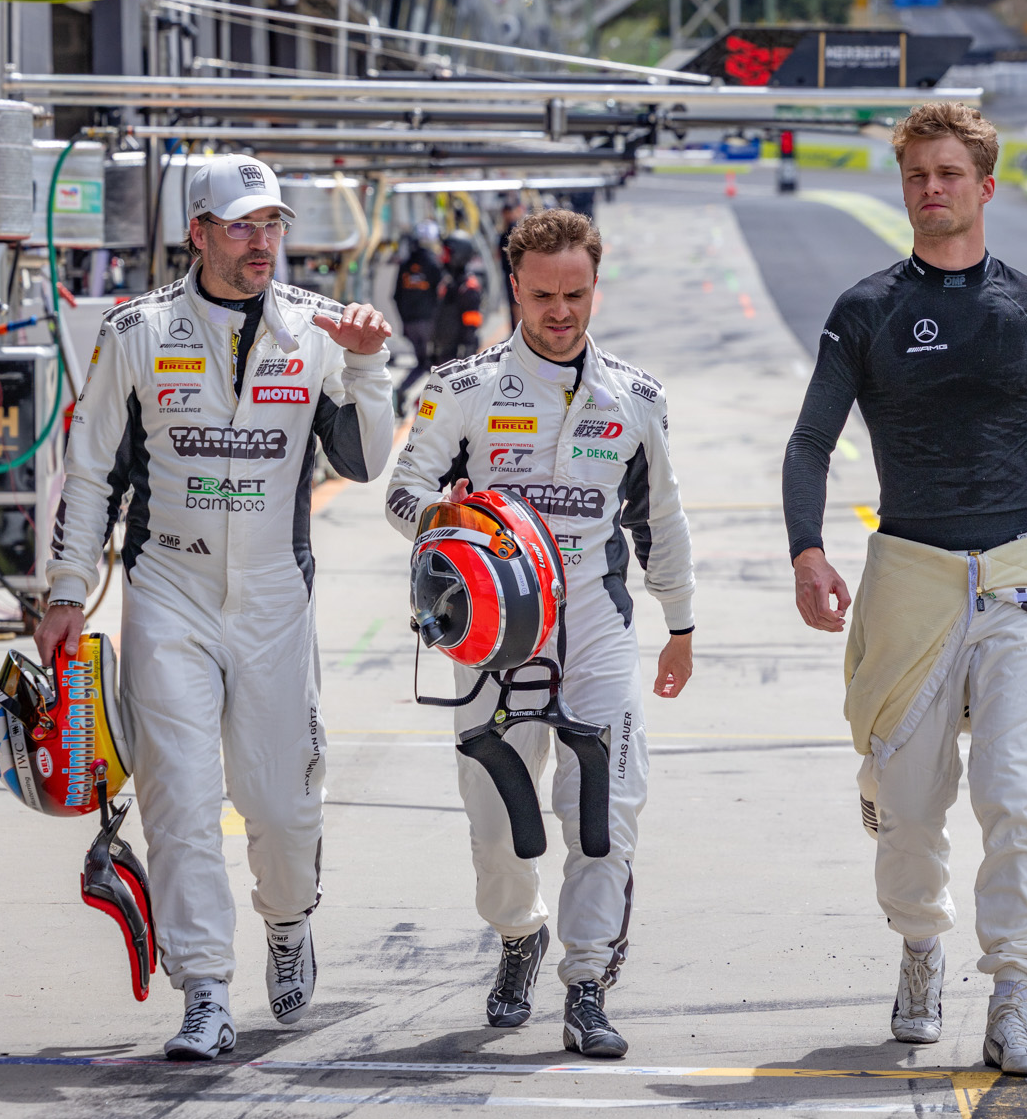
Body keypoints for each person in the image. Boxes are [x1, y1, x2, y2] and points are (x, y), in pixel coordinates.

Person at [782, 102, 1027, 1077]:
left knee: (1015, 791)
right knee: (908, 803)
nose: (929, 188)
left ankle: (1008, 997)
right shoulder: (864, 311)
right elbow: (811, 438)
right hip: (906, 574)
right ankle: (917, 945)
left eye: (947, 173)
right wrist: (806, 549)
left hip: (1018, 579)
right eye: (915, 175)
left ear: (984, 185)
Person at [41, 154, 394, 1060]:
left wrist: (368, 367)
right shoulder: (135, 331)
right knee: (181, 802)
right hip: (171, 593)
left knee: (280, 805)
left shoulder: (318, 328)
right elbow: (90, 478)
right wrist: (68, 591)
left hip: (275, 598)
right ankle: (203, 988)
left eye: (271, 224)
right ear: (197, 232)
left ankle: (287, 922)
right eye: (241, 226)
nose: (261, 242)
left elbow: (364, 463)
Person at [386, 208, 696, 1059]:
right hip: (494, 633)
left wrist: (681, 624)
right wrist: (438, 516)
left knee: (604, 812)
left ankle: (588, 980)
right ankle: (519, 933)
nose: (561, 311)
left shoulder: (635, 398)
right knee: (495, 826)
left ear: (597, 285)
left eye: (577, 293)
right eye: (544, 295)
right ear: (514, 286)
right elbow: (400, 491)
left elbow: (661, 520)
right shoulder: (462, 389)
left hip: (595, 628)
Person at [393, 220, 445, 410]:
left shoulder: (405, 264)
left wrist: (405, 323)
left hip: (410, 323)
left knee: (424, 363)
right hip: (428, 323)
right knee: (434, 364)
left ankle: (405, 393)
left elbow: (396, 296)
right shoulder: (434, 264)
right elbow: (442, 295)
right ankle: (418, 400)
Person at [431, 230, 486, 365]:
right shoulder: (449, 282)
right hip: (444, 350)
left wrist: (466, 353)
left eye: (447, 253)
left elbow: (472, 324)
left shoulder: (468, 287)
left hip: (457, 355)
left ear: (459, 255)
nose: (442, 257)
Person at [494, 196, 525, 326]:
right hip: (511, 272)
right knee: (514, 303)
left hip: (515, 272)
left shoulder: (513, 230)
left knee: (516, 303)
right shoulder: (509, 229)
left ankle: (519, 330)